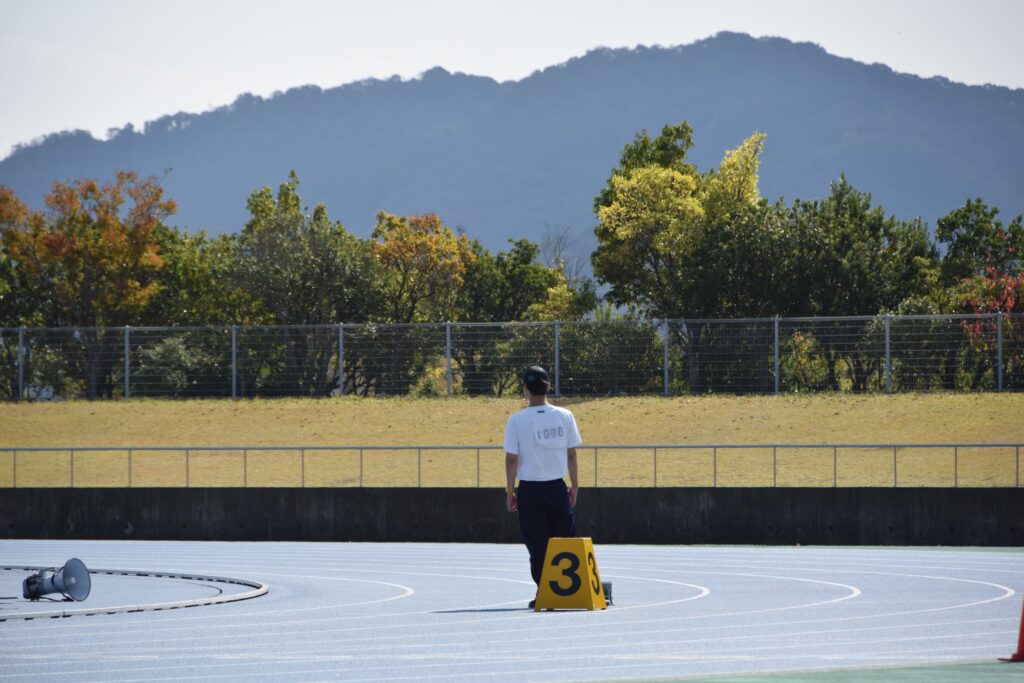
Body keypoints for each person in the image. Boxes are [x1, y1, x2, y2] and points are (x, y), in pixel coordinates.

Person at [504, 365, 581, 606]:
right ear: (548, 386)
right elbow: (571, 455)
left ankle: (544, 591)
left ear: (525, 389)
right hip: (557, 487)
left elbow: (511, 459)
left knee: (537, 543)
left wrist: (510, 490)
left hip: (530, 489)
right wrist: (575, 485)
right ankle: (571, 590)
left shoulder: (516, 420)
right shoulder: (564, 416)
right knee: (565, 538)